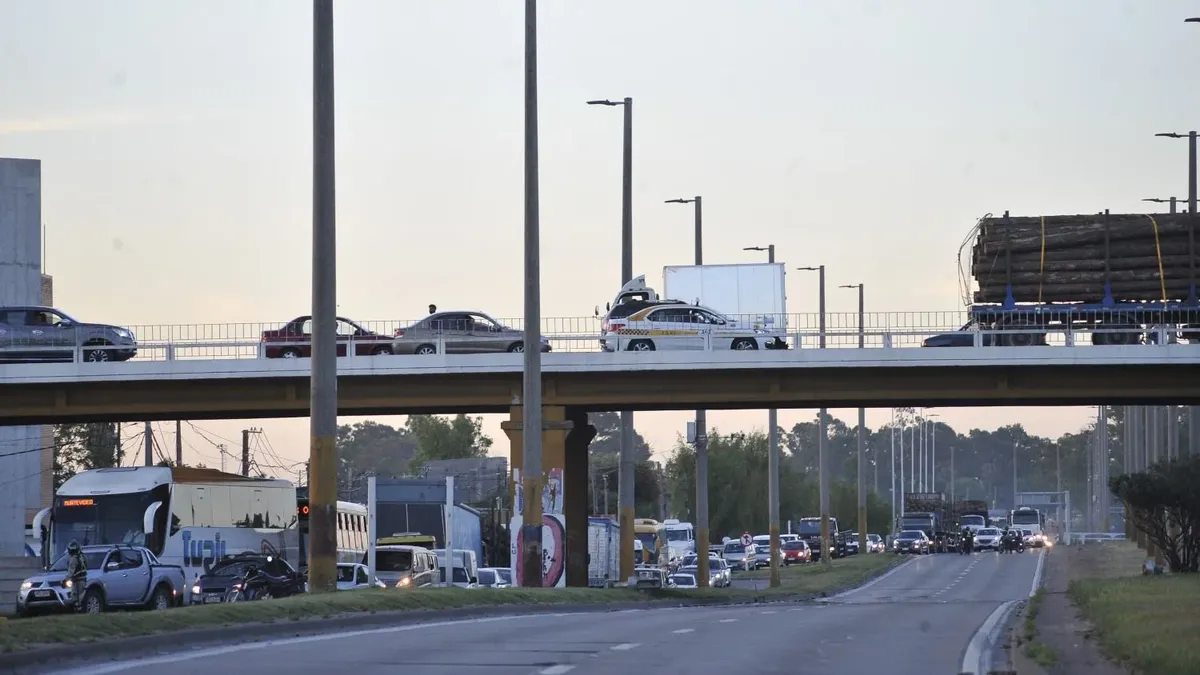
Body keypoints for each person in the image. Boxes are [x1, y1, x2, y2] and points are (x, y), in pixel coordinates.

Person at [65, 541, 88, 611]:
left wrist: (66, 579)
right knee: (81, 596)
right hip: (83, 579)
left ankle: (78, 610)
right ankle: (81, 610)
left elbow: (71, 570)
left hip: (77, 580)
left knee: (75, 597)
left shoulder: (73, 559)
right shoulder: (83, 556)